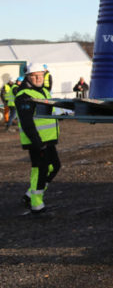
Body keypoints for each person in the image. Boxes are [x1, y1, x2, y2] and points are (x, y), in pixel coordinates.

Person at [15, 62, 61, 214]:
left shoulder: (43, 92)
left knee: (54, 166)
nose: (38, 78)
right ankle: (36, 204)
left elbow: (48, 113)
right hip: (37, 141)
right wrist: (37, 142)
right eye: (35, 76)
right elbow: (27, 122)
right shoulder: (24, 95)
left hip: (48, 139)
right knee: (40, 170)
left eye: (41, 75)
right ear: (28, 77)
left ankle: (30, 194)